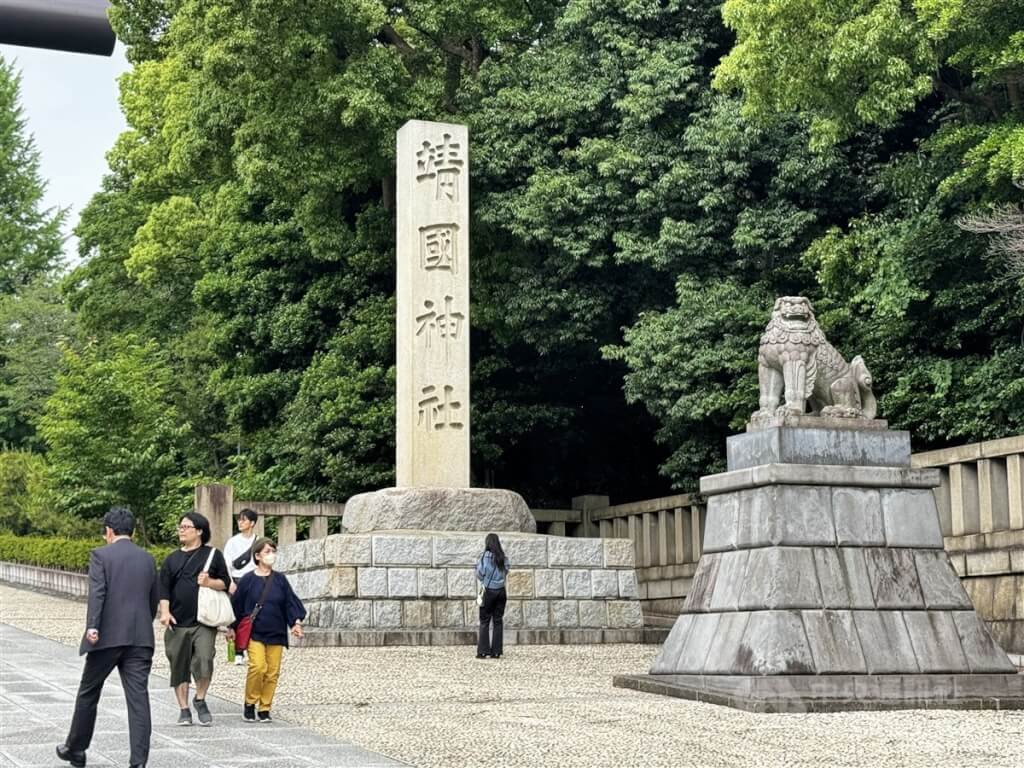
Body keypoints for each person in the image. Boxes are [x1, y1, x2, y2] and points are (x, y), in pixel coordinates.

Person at [57, 507, 159, 768]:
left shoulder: (101, 555)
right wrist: (141, 626)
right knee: (138, 700)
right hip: (140, 637)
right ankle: (138, 762)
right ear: (133, 531)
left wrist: (92, 626)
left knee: (89, 692)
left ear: (109, 531)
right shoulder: (148, 559)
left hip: (108, 636)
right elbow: (152, 600)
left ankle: (76, 749)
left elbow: (98, 593)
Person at [158, 511, 230, 726]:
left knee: (205, 659)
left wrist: (209, 582)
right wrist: (165, 612)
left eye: (186, 526)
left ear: (199, 531)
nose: (182, 529)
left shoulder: (212, 555)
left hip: (204, 621)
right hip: (177, 621)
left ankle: (200, 698)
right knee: (178, 665)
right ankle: (184, 709)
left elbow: (226, 583)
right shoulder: (172, 558)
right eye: (180, 526)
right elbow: (164, 589)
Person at [229, 537, 306, 723]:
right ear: (257, 556)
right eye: (267, 551)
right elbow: (237, 605)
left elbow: (290, 602)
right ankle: (250, 702)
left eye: (273, 551)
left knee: (272, 671)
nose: (271, 555)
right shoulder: (248, 580)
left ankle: (265, 707)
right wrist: (231, 627)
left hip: (277, 630)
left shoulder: (280, 579)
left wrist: (295, 623)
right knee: (257, 667)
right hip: (255, 631)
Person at [223, 507, 259, 665]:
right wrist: (229, 582)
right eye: (239, 519)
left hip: (254, 579)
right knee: (236, 615)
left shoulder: (258, 541)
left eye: (244, 519)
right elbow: (227, 564)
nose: (240, 522)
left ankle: (252, 648)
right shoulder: (233, 542)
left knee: (253, 615)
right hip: (236, 580)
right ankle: (238, 652)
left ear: (252, 523)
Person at [475, 533, 510, 659]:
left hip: (488, 591)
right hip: (501, 591)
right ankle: (496, 651)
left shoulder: (484, 557)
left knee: (484, 621)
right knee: (498, 621)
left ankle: (483, 651)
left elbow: (479, 574)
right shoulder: (503, 558)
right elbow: (506, 571)